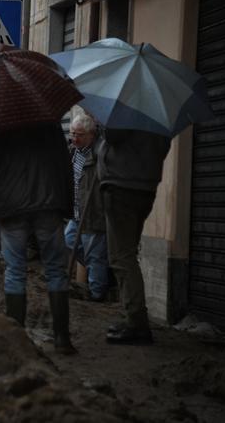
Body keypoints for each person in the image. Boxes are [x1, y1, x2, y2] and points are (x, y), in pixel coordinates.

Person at [0, 122, 76, 355]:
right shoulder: (47, 118)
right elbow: (63, 162)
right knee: (56, 270)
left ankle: (16, 340)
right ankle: (61, 338)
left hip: (11, 203)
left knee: (15, 269)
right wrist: (66, 205)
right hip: (48, 200)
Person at [98, 128, 171, 345]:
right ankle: (132, 317)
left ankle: (137, 322)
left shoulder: (126, 106)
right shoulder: (159, 118)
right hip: (145, 188)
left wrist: (102, 122)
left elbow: (112, 134)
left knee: (121, 257)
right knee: (128, 253)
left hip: (121, 186)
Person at [64, 115, 109, 301]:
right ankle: (100, 274)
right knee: (69, 241)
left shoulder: (100, 151)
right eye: (72, 133)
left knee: (94, 256)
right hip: (76, 212)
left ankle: (97, 295)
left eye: (79, 135)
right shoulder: (73, 151)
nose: (74, 138)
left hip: (93, 213)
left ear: (91, 135)